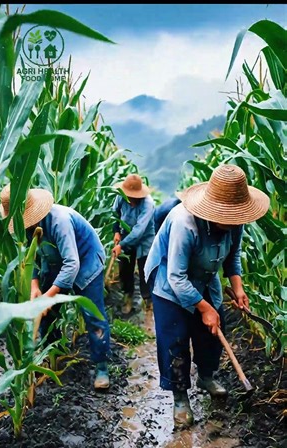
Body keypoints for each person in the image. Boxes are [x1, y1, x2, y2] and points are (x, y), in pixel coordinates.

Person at [144, 164, 270, 429]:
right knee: (175, 340)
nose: (235, 221)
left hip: (206, 275)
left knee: (212, 331)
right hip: (169, 282)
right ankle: (180, 398)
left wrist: (238, 288)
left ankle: (206, 376)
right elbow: (176, 277)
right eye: (230, 216)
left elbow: (232, 257)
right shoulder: (184, 223)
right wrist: (203, 308)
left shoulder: (235, 222)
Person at [0, 184, 111, 390]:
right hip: (55, 263)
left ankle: (102, 367)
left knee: (94, 316)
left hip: (85, 262)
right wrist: (35, 286)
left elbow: (72, 263)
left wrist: (49, 296)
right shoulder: (25, 227)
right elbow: (31, 256)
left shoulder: (59, 221)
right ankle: (53, 355)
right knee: (46, 315)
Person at [112, 173, 155, 314]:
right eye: (129, 197)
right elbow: (115, 214)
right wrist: (116, 231)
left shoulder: (148, 204)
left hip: (144, 238)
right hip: (125, 234)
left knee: (145, 270)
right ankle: (128, 298)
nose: (130, 201)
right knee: (125, 269)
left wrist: (121, 245)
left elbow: (138, 231)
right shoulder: (120, 197)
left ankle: (148, 303)